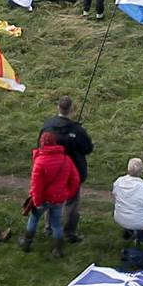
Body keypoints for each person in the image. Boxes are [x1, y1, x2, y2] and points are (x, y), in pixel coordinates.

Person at [38, 93, 93, 242]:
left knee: (51, 198)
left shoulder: (48, 126)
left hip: (51, 171)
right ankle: (69, 232)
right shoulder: (78, 131)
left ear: (58, 107)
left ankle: (49, 227)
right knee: (72, 202)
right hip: (72, 172)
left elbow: (40, 145)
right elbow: (88, 149)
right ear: (72, 110)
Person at [22, 128, 80, 255]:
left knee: (33, 219)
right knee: (57, 224)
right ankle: (58, 249)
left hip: (42, 199)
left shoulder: (39, 161)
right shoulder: (66, 160)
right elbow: (75, 180)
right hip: (58, 198)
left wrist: (36, 201)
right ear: (55, 143)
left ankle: (27, 243)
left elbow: (36, 185)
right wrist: (67, 193)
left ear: (41, 143)